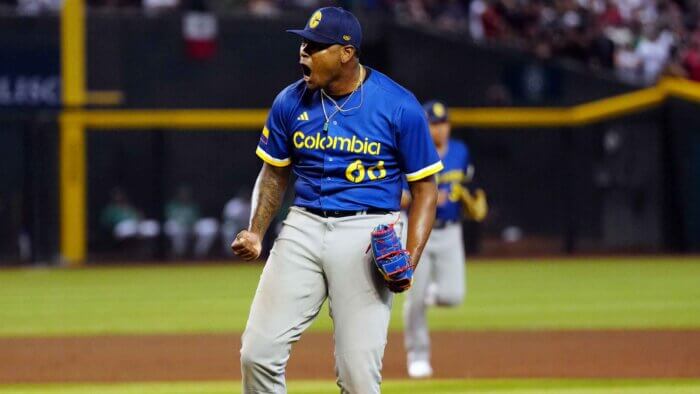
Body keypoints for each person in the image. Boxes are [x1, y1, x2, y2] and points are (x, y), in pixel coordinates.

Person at [231, 7, 442, 393]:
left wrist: (410, 258)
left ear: (346, 53)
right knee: (257, 355)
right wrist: (256, 232)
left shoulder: (398, 105)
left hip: (367, 232)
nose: (303, 53)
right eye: (303, 44)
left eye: (315, 46)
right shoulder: (289, 102)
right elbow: (275, 171)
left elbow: (425, 187)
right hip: (303, 226)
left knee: (358, 377)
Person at [401, 100, 488, 379]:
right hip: (418, 228)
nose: (440, 128)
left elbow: (468, 185)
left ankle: (429, 293)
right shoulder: (411, 152)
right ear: (424, 126)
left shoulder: (461, 151)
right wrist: (426, 199)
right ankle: (418, 355)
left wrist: (470, 200)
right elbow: (397, 195)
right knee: (413, 299)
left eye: (443, 122)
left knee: (453, 295)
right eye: (434, 123)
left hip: (450, 229)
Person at [164, 186, 218, 259]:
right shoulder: (172, 205)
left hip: (192, 226)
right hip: (179, 227)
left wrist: (192, 228)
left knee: (211, 225)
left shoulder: (193, 205)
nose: (184, 195)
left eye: (186, 193)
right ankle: (179, 254)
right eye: (182, 193)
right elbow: (171, 219)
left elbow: (196, 218)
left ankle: (200, 253)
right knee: (174, 227)